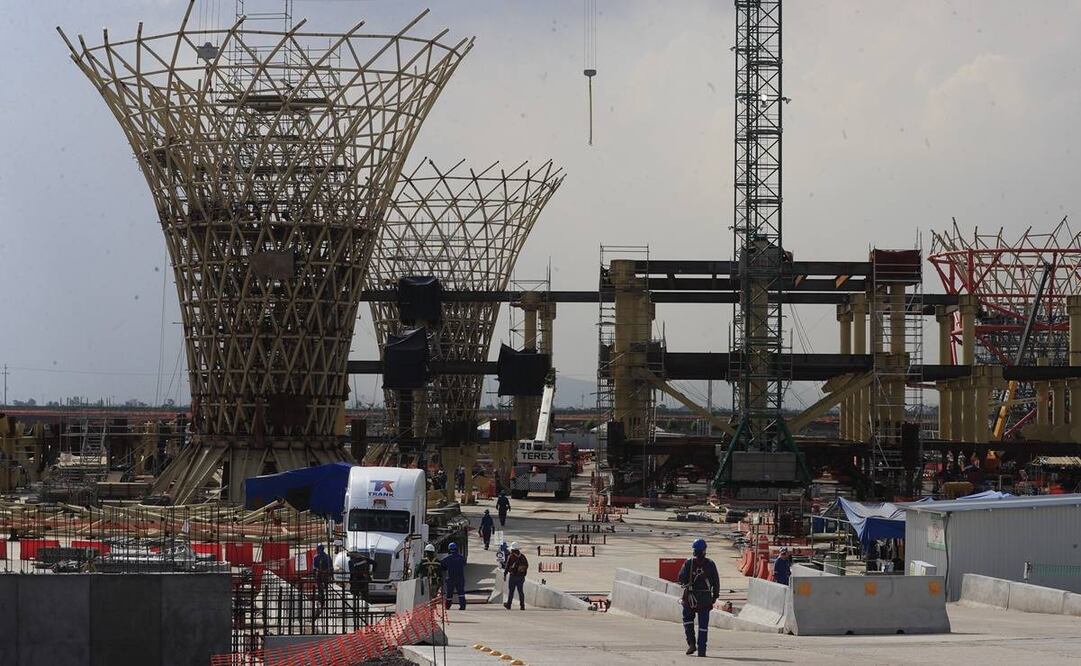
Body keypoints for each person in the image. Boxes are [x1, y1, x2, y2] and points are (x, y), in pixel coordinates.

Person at [678, 538, 719, 657]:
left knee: (688, 621)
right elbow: (716, 582)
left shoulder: (688, 563)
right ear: (704, 550)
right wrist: (715, 596)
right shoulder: (710, 564)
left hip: (690, 598)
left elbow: (680, 579)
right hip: (705, 599)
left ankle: (691, 643)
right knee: (703, 626)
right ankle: (702, 650)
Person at [440, 542, 467, 610]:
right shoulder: (461, 557)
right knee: (461, 593)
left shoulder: (447, 558)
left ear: (449, 549)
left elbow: (442, 566)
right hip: (460, 578)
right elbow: (464, 564)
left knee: (449, 594)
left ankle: (448, 606)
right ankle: (462, 606)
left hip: (450, 578)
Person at [503, 542, 529, 610]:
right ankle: (522, 606)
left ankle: (509, 605)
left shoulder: (511, 556)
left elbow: (507, 565)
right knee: (520, 591)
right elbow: (527, 565)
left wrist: (505, 574)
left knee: (511, 591)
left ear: (512, 549)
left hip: (513, 576)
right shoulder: (522, 556)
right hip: (521, 577)